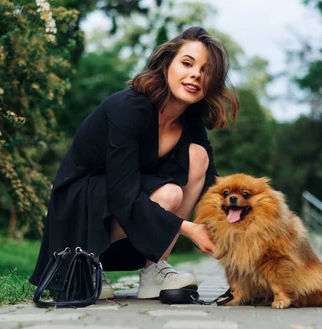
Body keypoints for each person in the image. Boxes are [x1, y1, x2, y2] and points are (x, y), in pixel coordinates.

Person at [30, 26, 239, 299]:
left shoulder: (191, 123)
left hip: (126, 210)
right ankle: (86, 264)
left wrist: (245, 231)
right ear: (167, 65)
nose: (196, 74)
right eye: (187, 63)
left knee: (196, 158)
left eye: (206, 70)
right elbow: (121, 194)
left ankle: (155, 271)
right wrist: (189, 229)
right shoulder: (128, 108)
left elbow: (213, 189)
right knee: (169, 193)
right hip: (79, 211)